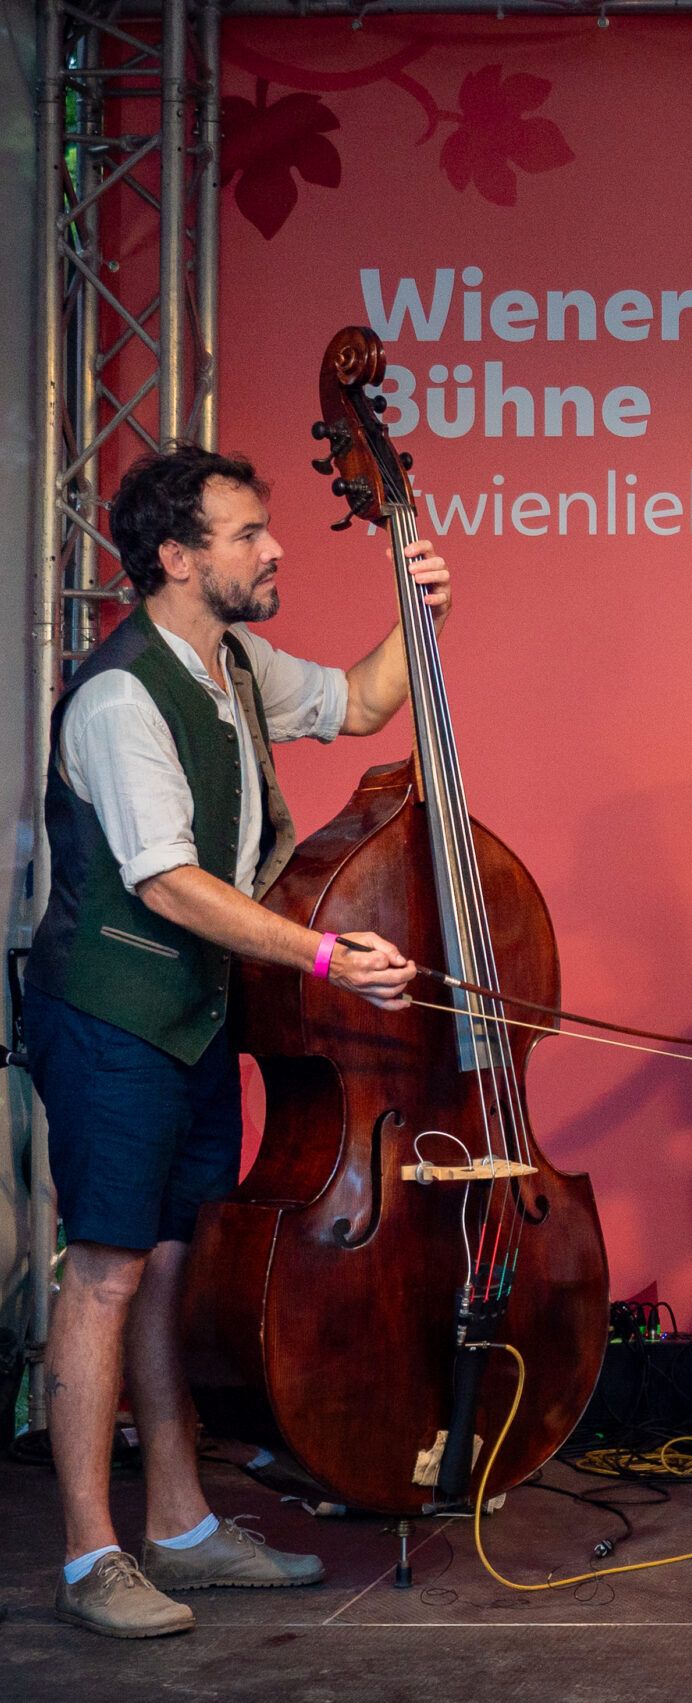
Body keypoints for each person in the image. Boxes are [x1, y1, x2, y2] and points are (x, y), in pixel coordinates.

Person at [25, 444, 442, 1638]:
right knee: (105, 1271)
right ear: (177, 557)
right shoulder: (119, 696)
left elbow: (360, 703)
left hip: (190, 1014)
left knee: (167, 1266)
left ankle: (182, 1527)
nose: (273, 550)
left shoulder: (237, 662)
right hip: (111, 1013)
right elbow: (164, 882)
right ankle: (89, 1555)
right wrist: (322, 957)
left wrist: (420, 619)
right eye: (248, 533)